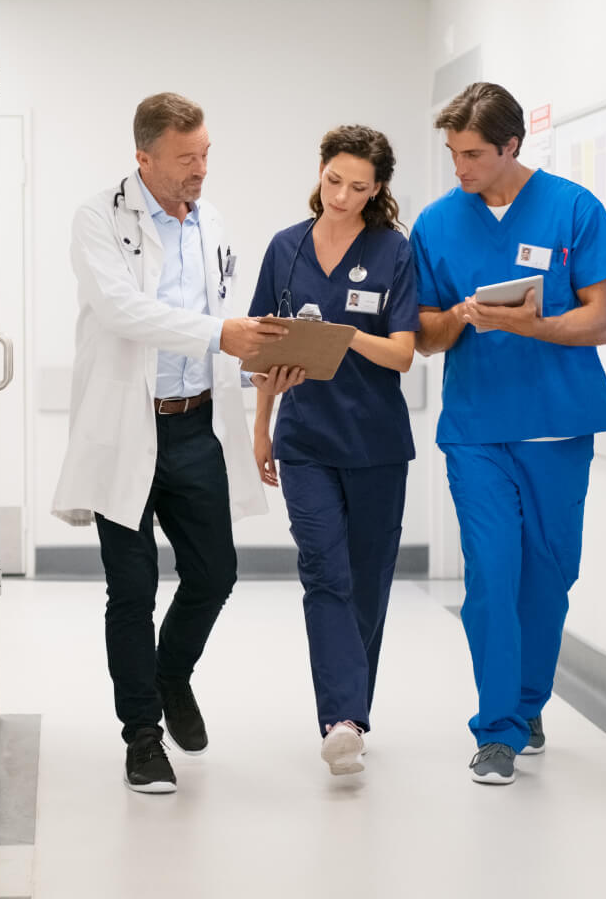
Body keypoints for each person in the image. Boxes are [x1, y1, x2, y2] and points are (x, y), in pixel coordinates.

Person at [50, 91, 286, 795]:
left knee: (215, 574)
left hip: (194, 424)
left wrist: (260, 351)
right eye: (187, 158)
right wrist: (223, 335)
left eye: (206, 154)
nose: (201, 170)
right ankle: (142, 736)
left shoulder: (208, 220)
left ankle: (170, 674)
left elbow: (212, 313)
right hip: (128, 427)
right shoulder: (97, 218)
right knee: (132, 589)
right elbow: (124, 310)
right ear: (143, 158)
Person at [410, 82, 606, 785]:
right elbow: (423, 335)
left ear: (511, 145)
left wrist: (529, 323)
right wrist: (463, 317)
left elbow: (602, 321)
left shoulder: (574, 209)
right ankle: (497, 728)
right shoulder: (438, 224)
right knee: (491, 574)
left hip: (559, 429)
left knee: (549, 576)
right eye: (452, 153)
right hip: (476, 429)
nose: (461, 167)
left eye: (473, 153)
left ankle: (529, 702)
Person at [246, 125, 419, 777]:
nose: (342, 196)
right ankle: (341, 719)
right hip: (306, 442)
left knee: (367, 586)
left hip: (376, 444)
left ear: (378, 191)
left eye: (358, 187)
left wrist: (342, 337)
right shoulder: (285, 249)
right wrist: (262, 426)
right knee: (325, 572)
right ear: (319, 171)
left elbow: (401, 352)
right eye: (333, 181)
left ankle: (352, 709)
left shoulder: (391, 251)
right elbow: (264, 347)